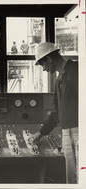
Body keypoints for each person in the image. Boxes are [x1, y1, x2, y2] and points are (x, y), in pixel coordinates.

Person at [33, 42, 78, 184]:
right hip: (66, 133)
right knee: (71, 177)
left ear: (49, 59)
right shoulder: (59, 79)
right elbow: (57, 112)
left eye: (43, 65)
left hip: (79, 131)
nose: (44, 69)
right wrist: (41, 132)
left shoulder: (77, 70)